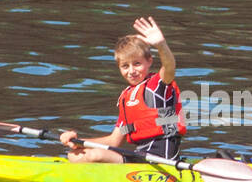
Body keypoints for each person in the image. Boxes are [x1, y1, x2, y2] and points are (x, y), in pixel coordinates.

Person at [59, 17, 185, 163]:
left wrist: (161, 45)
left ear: (149, 61)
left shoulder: (157, 86)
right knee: (76, 154)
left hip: (163, 160)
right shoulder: (128, 98)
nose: (131, 71)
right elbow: (114, 141)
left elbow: (169, 67)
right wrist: (78, 141)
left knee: (95, 156)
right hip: (141, 156)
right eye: (125, 66)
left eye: (137, 64)